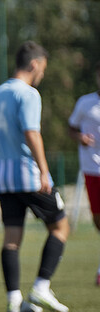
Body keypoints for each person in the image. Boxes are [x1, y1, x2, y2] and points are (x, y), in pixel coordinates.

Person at [0, 41, 70, 312]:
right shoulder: (29, 94)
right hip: (28, 175)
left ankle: (13, 300)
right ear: (34, 64)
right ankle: (41, 286)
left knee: (12, 237)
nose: (43, 75)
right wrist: (44, 170)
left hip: (3, 177)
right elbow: (31, 132)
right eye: (43, 69)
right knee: (61, 227)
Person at [67, 61, 100, 287]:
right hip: (92, 169)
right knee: (98, 220)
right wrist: (80, 138)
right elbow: (71, 127)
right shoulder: (85, 102)